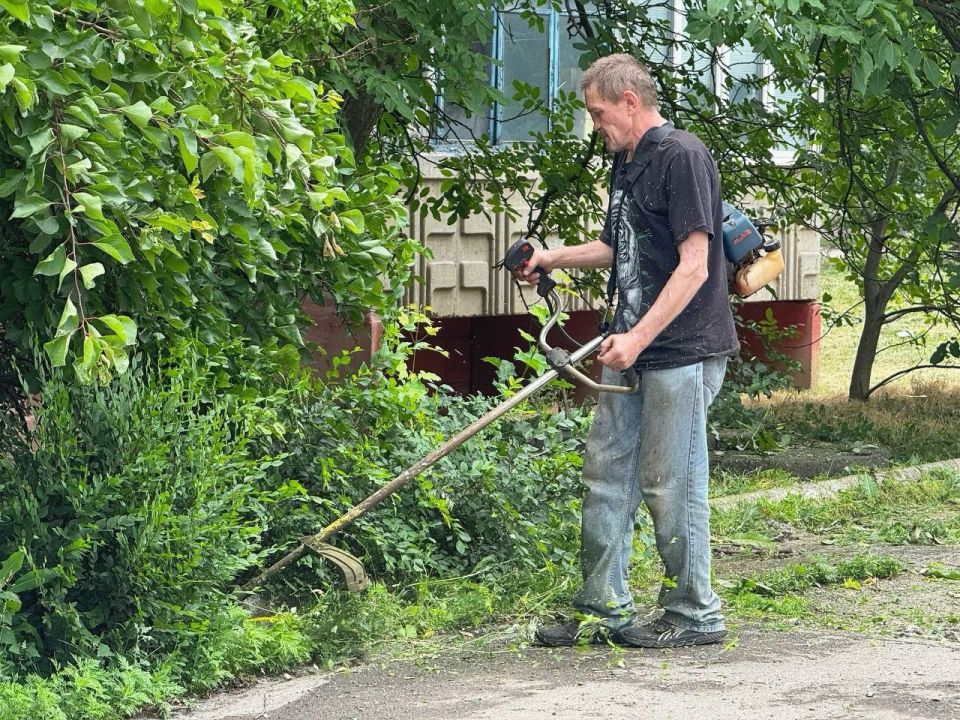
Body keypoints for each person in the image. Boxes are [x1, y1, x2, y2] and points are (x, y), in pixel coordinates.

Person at [520, 54, 739, 648]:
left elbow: (695, 266)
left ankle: (695, 615)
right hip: (633, 347)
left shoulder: (683, 156)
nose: (595, 124)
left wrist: (639, 337)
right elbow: (618, 247)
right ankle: (602, 607)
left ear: (629, 102)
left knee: (671, 480)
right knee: (606, 474)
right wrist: (549, 257)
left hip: (681, 349)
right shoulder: (628, 163)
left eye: (598, 112)